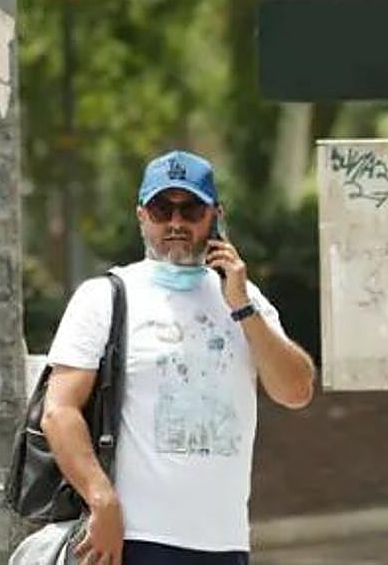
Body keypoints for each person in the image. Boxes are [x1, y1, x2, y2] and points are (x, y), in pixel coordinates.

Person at [41, 150, 315, 565]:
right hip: (132, 539)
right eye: (161, 208)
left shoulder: (245, 299)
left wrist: (241, 306)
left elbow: (296, 390)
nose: (175, 223)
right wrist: (102, 500)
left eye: (190, 210)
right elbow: (59, 411)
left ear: (215, 216)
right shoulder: (106, 296)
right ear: (141, 215)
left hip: (224, 542)